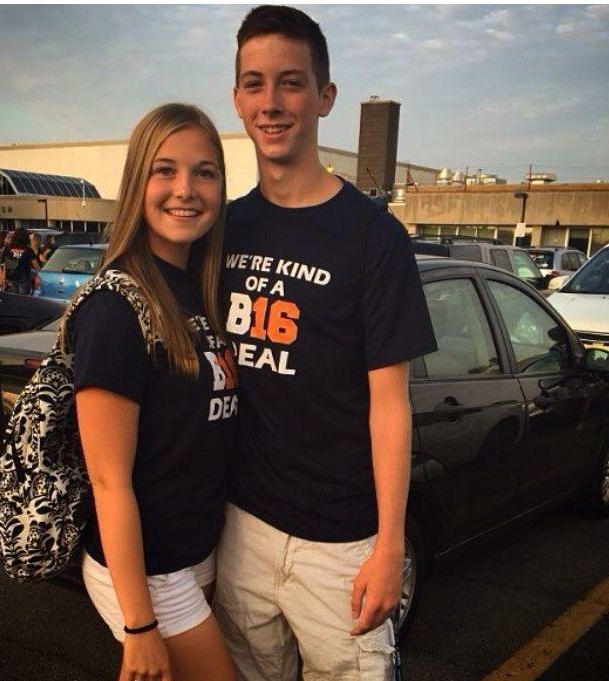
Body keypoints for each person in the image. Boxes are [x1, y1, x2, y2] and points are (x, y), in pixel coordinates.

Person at [215, 6, 437, 681]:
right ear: (237, 99)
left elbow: (390, 404)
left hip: (341, 544)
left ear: (324, 97)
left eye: (291, 82)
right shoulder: (225, 228)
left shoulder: (373, 236)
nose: (271, 102)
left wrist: (389, 546)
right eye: (254, 84)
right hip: (240, 529)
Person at [74, 104, 237, 681]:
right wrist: (139, 626)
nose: (185, 189)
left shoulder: (196, 290)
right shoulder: (116, 306)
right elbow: (108, 481)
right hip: (150, 572)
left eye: (204, 172)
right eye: (164, 170)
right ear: (136, 183)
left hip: (195, 554)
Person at [0, 227, 40, 294]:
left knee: (12, 297)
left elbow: (2, 265)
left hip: (10, 279)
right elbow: (36, 266)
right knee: (23, 298)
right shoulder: (28, 250)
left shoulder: (7, 248)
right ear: (25, 238)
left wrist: (1, 280)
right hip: (24, 279)